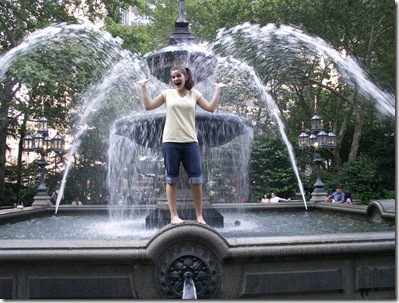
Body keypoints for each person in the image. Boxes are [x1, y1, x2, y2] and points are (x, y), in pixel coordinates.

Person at [137, 66, 228, 225]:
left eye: (178, 76)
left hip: (190, 141)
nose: (175, 79)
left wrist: (218, 90)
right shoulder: (167, 94)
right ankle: (174, 216)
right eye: (173, 77)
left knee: (197, 180)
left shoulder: (194, 94)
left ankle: (199, 216)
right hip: (170, 141)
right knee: (171, 179)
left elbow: (211, 108)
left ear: (186, 76)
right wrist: (143, 87)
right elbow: (148, 106)